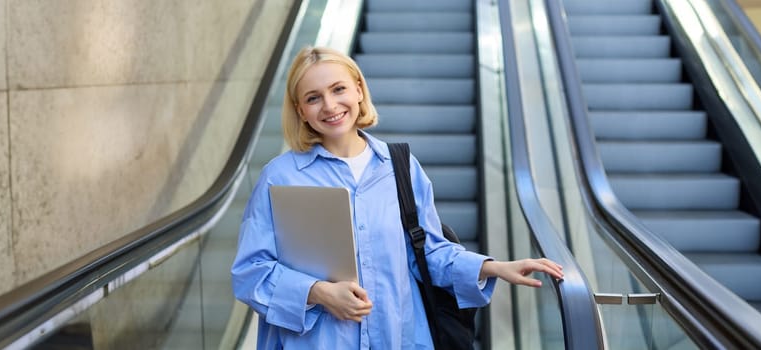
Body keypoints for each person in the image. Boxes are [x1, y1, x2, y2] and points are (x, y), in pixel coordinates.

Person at [231, 46, 564, 349]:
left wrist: (492, 267)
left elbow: (429, 252)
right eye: (313, 98)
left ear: (359, 90)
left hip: (400, 339)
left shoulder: (401, 166)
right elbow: (251, 271)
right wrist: (318, 293)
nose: (330, 106)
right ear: (301, 110)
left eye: (338, 89)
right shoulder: (281, 177)